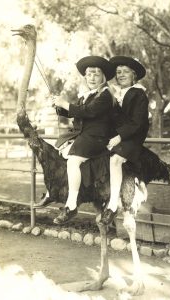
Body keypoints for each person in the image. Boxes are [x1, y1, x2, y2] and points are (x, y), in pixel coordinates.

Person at [35, 56, 115, 224]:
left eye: (96, 74)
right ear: (85, 77)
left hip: (97, 138)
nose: (92, 78)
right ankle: (54, 191)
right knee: (58, 153)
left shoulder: (105, 95)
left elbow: (88, 112)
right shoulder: (87, 95)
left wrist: (65, 103)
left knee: (73, 161)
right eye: (89, 74)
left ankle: (71, 205)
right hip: (84, 135)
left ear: (103, 77)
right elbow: (76, 111)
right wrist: (59, 107)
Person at [100, 56, 149, 225]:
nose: (121, 75)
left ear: (133, 75)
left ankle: (113, 205)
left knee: (115, 160)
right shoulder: (114, 93)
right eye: (118, 72)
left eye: (125, 72)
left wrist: (119, 136)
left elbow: (138, 122)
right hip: (116, 137)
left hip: (132, 139)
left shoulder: (139, 94)